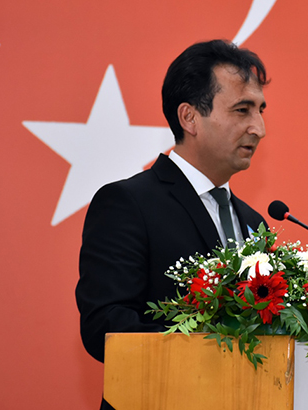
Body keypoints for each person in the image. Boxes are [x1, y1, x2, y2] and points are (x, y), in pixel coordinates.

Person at [75, 40, 269, 408]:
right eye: (242, 110)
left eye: (260, 111)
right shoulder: (128, 204)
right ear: (189, 118)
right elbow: (105, 325)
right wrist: (216, 343)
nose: (258, 128)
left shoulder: (253, 222)